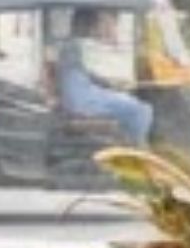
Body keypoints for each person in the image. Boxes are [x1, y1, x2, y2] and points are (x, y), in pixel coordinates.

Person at [54, 9, 155, 146]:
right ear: (90, 24)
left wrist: (109, 83)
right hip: (84, 101)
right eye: (102, 23)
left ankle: (126, 143)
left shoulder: (71, 45)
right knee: (141, 110)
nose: (103, 28)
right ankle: (136, 147)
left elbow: (90, 73)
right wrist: (115, 82)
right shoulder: (82, 44)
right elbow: (102, 68)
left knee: (127, 104)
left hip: (78, 98)